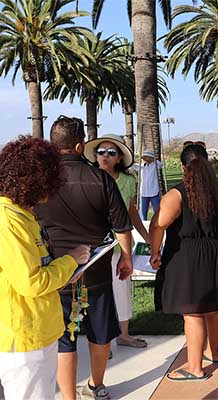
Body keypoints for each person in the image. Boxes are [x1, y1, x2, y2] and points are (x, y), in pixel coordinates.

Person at [34, 116, 134, 400]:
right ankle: (96, 385)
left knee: (64, 338)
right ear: (80, 146)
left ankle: (68, 397)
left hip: (55, 272)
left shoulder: (41, 183)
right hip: (97, 271)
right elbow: (122, 227)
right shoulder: (101, 179)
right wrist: (125, 258)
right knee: (100, 331)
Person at [0, 136, 90, 400]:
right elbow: (32, 282)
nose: (50, 194)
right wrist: (71, 260)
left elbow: (40, 267)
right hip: (25, 339)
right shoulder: (8, 221)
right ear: (31, 182)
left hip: (41, 331)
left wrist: (68, 272)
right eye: (48, 185)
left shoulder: (22, 213)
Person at [149, 143, 218, 381]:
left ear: (182, 166)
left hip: (188, 254)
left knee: (193, 313)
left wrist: (155, 251)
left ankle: (195, 368)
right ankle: (214, 353)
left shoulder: (177, 194)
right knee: (216, 307)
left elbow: (158, 224)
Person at [84, 134, 150, 349]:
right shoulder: (88, 178)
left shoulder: (129, 181)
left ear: (119, 158)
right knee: (97, 294)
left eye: (111, 152)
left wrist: (148, 237)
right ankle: (102, 342)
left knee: (121, 290)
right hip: (94, 247)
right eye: (101, 152)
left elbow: (132, 212)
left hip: (120, 246)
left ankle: (123, 334)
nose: (105, 156)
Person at [134, 149, 163, 220]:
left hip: (154, 191)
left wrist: (153, 159)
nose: (146, 159)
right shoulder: (142, 166)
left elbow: (161, 164)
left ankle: (158, 223)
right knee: (143, 212)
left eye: (148, 157)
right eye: (145, 157)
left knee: (157, 211)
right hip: (144, 192)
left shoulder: (155, 165)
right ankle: (144, 225)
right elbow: (132, 166)